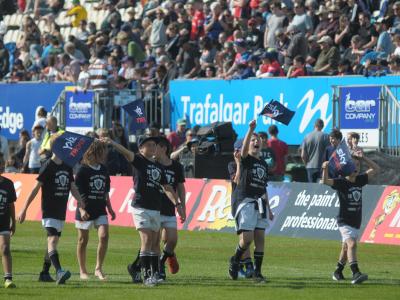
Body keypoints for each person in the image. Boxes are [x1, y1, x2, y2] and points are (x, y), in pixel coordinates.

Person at [104, 135, 184, 286]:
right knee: (147, 239)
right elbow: (126, 152)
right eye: (149, 145)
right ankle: (147, 276)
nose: (153, 147)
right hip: (140, 206)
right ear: (141, 149)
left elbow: (167, 187)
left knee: (154, 243)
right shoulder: (139, 160)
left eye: (154, 145)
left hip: (155, 208)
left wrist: (177, 204)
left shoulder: (158, 167)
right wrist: (112, 142)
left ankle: (153, 274)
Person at [18, 134, 87, 285]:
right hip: (49, 210)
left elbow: (72, 187)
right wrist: (24, 208)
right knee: (53, 239)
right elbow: (35, 189)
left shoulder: (67, 166)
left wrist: (81, 202)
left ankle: (44, 272)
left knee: (51, 242)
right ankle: (59, 271)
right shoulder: (48, 165)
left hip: (60, 211)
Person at [321, 151, 380, 284]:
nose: (357, 168)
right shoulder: (341, 182)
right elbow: (324, 181)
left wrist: (363, 158)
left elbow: (377, 169)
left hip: (355, 221)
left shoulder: (360, 179)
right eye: (354, 165)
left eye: (358, 165)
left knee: (346, 248)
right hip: (344, 221)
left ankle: (338, 271)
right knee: (352, 244)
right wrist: (325, 168)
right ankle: (355, 273)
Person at [228, 120, 274, 283]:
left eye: (258, 140)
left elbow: (263, 187)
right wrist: (251, 129)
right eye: (252, 140)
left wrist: (269, 208)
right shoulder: (246, 159)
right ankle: (235, 259)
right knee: (247, 239)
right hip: (245, 200)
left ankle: (258, 273)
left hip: (260, 202)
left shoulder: (263, 164)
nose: (256, 142)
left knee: (260, 238)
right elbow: (245, 145)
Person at [75, 140, 116, 280]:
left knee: (104, 236)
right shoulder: (82, 170)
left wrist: (110, 208)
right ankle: (82, 271)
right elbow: (78, 193)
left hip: (100, 209)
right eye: (103, 151)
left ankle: (98, 268)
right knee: (82, 240)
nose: (105, 154)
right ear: (94, 152)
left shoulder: (104, 169)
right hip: (85, 210)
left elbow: (105, 192)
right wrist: (81, 210)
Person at [153, 137, 186, 281]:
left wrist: (183, 206)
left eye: (155, 147)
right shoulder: (152, 164)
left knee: (171, 240)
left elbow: (180, 187)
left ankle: (162, 261)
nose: (153, 150)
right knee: (155, 241)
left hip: (170, 207)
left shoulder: (176, 167)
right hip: (154, 207)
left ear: (164, 148)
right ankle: (159, 267)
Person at [227, 139, 255, 279]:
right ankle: (242, 263)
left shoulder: (251, 164)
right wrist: (238, 163)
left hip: (251, 201)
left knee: (247, 236)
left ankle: (244, 264)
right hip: (238, 202)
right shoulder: (232, 165)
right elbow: (236, 180)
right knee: (245, 236)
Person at [0, 153, 17, 288]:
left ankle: (8, 279)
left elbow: (11, 204)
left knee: (5, 248)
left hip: (4, 221)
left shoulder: (8, 184)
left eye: (1, 164)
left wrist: (14, 222)